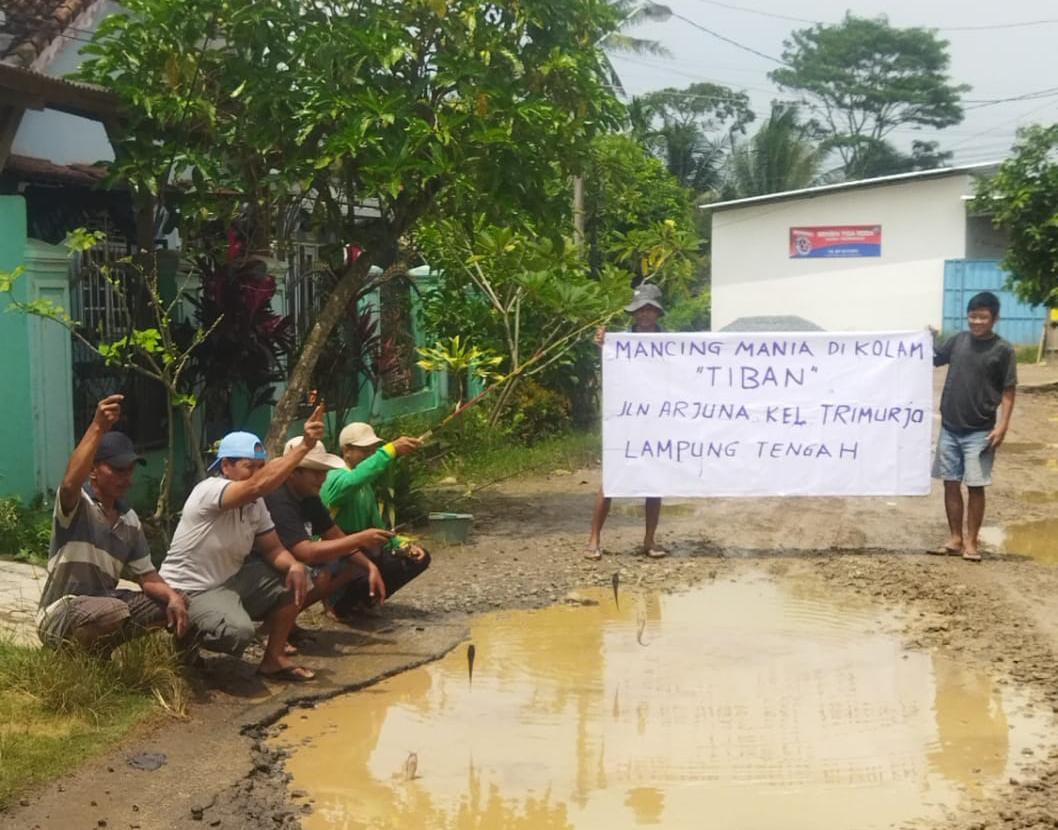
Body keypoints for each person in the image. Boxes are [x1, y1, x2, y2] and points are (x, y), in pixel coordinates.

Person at [158, 406, 325, 681]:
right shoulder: (210, 491)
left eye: (261, 467)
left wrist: (294, 565)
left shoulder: (255, 503)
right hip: (191, 589)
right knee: (239, 632)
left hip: (230, 581)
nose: (257, 473)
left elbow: (272, 548)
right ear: (226, 466)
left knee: (299, 576)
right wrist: (305, 445)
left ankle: (274, 659)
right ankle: (181, 643)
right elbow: (258, 486)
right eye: (250, 467)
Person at [37, 395, 188, 650]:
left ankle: (184, 666)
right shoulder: (77, 505)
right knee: (112, 610)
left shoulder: (129, 521)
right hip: (60, 612)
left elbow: (147, 576)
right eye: (117, 469)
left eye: (130, 470)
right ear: (93, 470)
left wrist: (173, 597)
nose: (126, 477)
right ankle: (75, 657)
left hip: (105, 605)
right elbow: (70, 482)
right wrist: (98, 426)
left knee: (176, 602)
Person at [264, 437, 400, 614]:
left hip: (291, 562)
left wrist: (370, 566)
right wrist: (360, 539)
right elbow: (304, 552)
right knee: (319, 574)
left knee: (354, 563)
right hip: (263, 566)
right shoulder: (278, 499)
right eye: (315, 473)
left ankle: (292, 621)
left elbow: (334, 534)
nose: (322, 479)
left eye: (324, 472)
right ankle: (275, 626)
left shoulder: (309, 496)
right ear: (293, 472)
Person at [930, 291, 1017, 562]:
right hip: (950, 426)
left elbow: (1008, 390)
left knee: (976, 486)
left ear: (995, 318)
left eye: (983, 317)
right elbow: (933, 358)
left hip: (980, 430)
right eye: (972, 316)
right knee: (951, 483)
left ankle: (971, 542)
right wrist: (926, 339)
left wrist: (1003, 426)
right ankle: (955, 538)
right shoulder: (958, 340)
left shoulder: (1003, 350)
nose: (977, 322)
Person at [585, 282, 667, 560]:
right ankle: (594, 539)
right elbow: (608, 364)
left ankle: (649, 540)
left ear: (657, 313)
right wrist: (601, 344)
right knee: (611, 480)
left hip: (658, 420)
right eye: (639, 310)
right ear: (634, 314)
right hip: (624, 421)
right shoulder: (618, 343)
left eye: (649, 310)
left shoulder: (672, 345)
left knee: (654, 483)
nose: (644, 315)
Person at [318, 422, 430, 619]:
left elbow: (376, 526)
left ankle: (364, 600)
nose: (370, 455)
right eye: (364, 450)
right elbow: (355, 479)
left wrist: (402, 544)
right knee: (357, 563)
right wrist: (390, 451)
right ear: (347, 451)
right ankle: (337, 603)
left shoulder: (365, 488)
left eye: (373, 450)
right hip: (337, 551)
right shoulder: (335, 478)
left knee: (416, 558)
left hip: (363, 548)